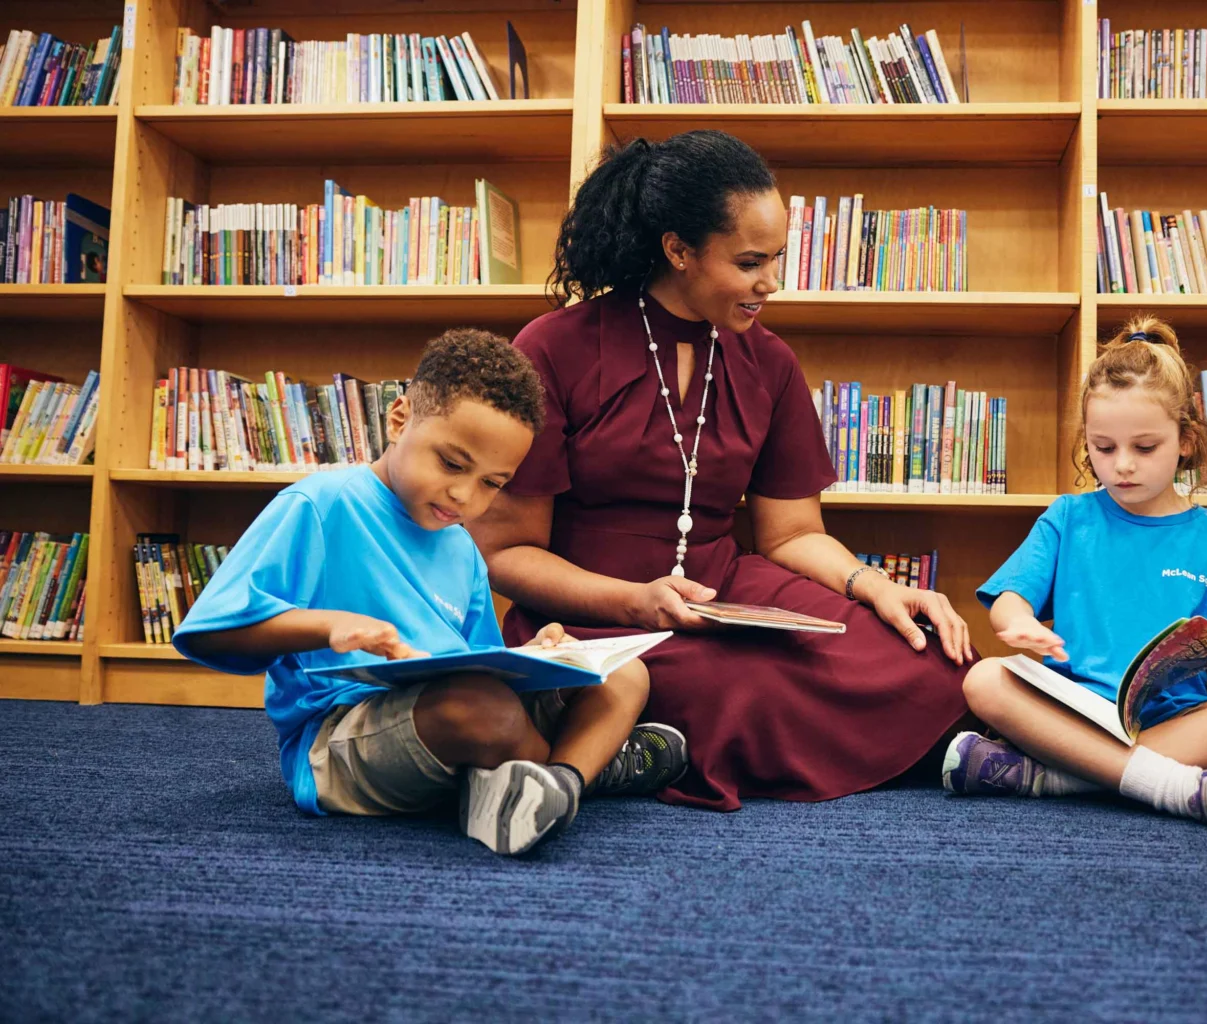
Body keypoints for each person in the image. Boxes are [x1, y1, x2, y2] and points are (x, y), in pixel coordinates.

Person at [469, 130, 974, 812]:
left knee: (924, 662)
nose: (770, 283)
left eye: (776, 259)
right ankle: (620, 739)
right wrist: (634, 600)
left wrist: (873, 587)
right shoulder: (551, 346)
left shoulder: (770, 362)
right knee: (736, 684)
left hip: (723, 588)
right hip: (590, 606)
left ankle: (636, 748)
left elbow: (791, 534)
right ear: (678, 250)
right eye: (749, 261)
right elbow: (506, 553)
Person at [173, 329, 687, 856]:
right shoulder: (321, 504)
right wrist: (327, 625)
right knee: (479, 710)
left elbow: (477, 664)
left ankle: (559, 783)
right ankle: (584, 772)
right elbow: (212, 634)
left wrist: (535, 658)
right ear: (399, 420)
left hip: (461, 713)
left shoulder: (461, 546)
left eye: (493, 483)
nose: (465, 496)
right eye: (452, 464)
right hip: (341, 740)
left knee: (624, 674)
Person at [944, 316, 1207, 835]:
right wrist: (1018, 621)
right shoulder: (1069, 517)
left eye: (1145, 447)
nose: (1122, 465)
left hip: (1173, 722)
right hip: (1070, 714)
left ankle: (1059, 777)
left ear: (1185, 440)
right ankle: (1177, 788)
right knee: (984, 680)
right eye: (1103, 447)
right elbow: (1011, 596)